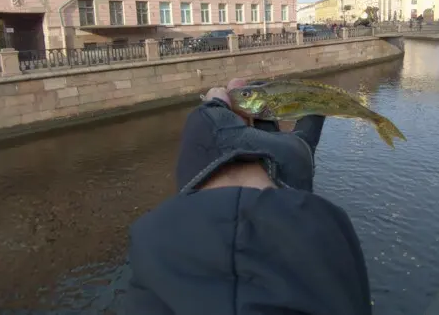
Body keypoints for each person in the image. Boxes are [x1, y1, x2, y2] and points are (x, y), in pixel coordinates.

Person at [125, 78, 372, 315]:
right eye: (246, 95)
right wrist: (288, 198)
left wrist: (213, 181)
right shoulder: (331, 249)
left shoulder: (157, 258)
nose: (242, 98)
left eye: (246, 95)